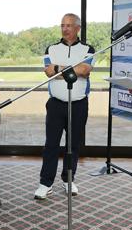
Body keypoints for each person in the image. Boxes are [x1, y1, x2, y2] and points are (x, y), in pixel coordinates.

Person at [34, 14, 94, 200]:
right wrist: (69, 69)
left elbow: (85, 70)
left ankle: (68, 179)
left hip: (79, 104)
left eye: (69, 25)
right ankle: (45, 183)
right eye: (62, 25)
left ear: (78, 28)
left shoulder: (88, 48)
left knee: (73, 144)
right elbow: (48, 72)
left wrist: (58, 68)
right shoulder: (51, 48)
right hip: (56, 104)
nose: (65, 29)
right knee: (51, 144)